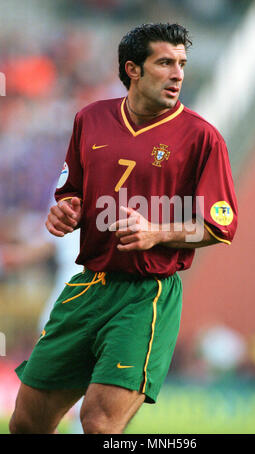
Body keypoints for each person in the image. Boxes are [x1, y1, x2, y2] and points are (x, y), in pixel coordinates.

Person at [9, 23, 238, 434]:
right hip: (87, 286)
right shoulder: (90, 119)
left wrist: (157, 232)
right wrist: (64, 213)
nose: (177, 74)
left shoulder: (202, 137)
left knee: (98, 423)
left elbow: (219, 226)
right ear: (132, 69)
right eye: (165, 62)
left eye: (182, 64)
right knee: (26, 423)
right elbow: (69, 195)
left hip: (145, 293)